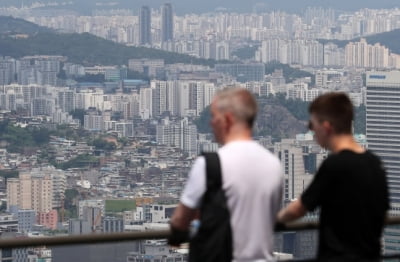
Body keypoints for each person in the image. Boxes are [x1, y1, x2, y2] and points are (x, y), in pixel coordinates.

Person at [170, 88, 283, 261]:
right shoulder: (274, 164)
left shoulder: (210, 164)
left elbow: (180, 220)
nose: (211, 123)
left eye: (214, 116)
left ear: (227, 119)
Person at [277, 92, 389, 262]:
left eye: (312, 125)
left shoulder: (335, 165)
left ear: (327, 127)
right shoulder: (376, 164)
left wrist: (273, 221)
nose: (312, 131)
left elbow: (299, 208)